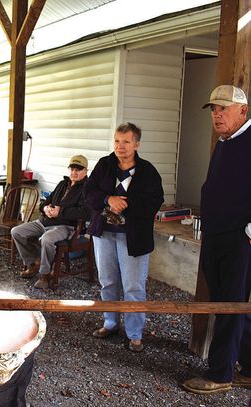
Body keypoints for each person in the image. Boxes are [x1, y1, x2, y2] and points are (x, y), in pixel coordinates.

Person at [182, 85, 251, 394]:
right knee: (231, 304)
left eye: (223, 108)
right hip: (217, 234)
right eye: (213, 109)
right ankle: (247, 366)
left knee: (230, 305)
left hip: (239, 240)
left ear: (243, 111)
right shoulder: (226, 141)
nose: (217, 114)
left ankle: (221, 374)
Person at [84, 122, 164, 353]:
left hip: (133, 237)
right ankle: (110, 322)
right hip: (104, 234)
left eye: (126, 142)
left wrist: (124, 206)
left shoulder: (147, 171)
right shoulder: (104, 165)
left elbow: (154, 201)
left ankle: (135, 334)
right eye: (117, 141)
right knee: (107, 281)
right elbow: (88, 193)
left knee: (133, 287)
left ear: (136, 144)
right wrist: (109, 199)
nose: (120, 146)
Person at [11, 155, 90, 289]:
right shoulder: (63, 183)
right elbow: (46, 201)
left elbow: (85, 212)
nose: (74, 172)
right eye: (72, 169)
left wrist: (61, 212)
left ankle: (45, 274)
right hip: (45, 221)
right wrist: (45, 208)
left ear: (86, 171)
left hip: (65, 226)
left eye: (78, 169)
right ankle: (34, 262)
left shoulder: (87, 189)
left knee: (47, 240)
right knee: (16, 231)